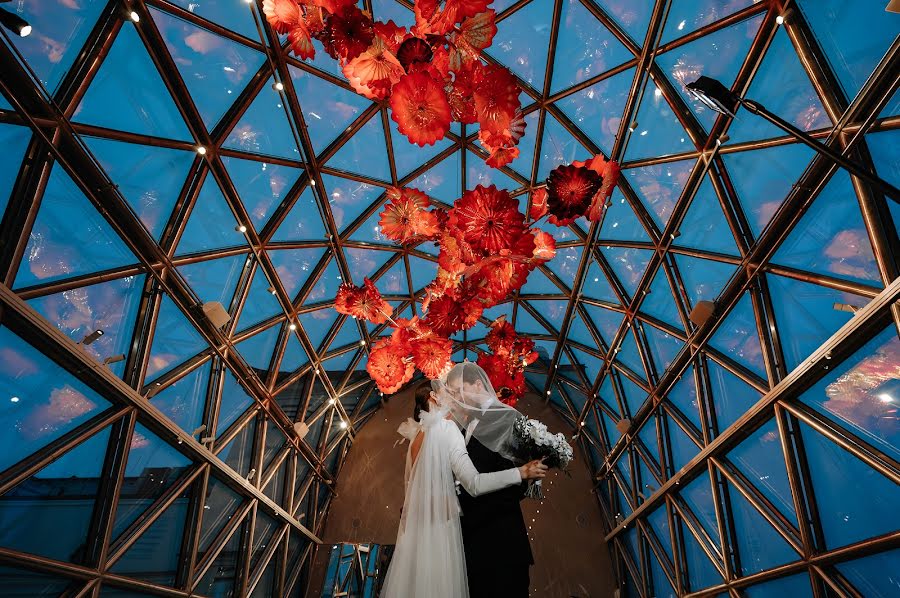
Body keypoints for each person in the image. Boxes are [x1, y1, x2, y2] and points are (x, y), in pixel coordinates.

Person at [381, 378, 547, 598]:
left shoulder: (416, 437)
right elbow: (474, 483)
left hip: (419, 540)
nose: (457, 397)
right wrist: (521, 473)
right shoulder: (448, 429)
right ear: (435, 397)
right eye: (450, 392)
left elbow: (412, 494)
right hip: (444, 538)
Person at [458, 436, 533, 597]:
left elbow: (517, 489)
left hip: (504, 548)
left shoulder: (501, 428)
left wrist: (464, 507)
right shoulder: (454, 435)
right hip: (470, 554)